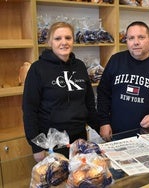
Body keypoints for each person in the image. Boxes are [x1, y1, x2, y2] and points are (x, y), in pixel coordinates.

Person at [22, 22, 98, 162]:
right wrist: (36, 147)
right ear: (50, 41)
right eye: (58, 39)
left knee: (81, 180)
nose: (64, 42)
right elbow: (29, 110)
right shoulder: (38, 69)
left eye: (68, 38)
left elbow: (89, 104)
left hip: (79, 139)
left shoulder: (80, 66)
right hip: (51, 143)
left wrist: (101, 128)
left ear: (73, 41)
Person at [97, 21, 149, 141]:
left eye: (141, 37)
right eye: (131, 38)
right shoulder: (116, 60)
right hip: (117, 133)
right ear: (126, 41)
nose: (136, 42)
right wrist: (103, 122)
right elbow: (103, 93)